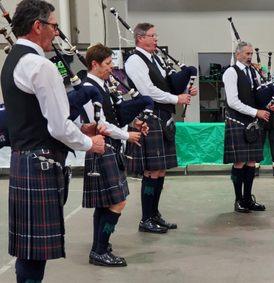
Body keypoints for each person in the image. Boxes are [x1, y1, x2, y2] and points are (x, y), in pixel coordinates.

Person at [0, 0, 105, 281]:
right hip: (41, 164)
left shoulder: (13, 61)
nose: (57, 33)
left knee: (29, 250)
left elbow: (36, 119)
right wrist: (88, 142)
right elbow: (59, 126)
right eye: (54, 26)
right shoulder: (40, 66)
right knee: (35, 254)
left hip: (25, 160)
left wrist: (81, 131)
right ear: (38, 26)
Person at [125, 23, 197, 232]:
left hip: (163, 116)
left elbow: (166, 83)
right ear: (140, 38)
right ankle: (146, 218)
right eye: (152, 36)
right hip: (150, 117)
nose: (156, 39)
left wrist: (184, 88)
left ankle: (154, 214)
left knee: (160, 170)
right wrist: (177, 98)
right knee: (151, 170)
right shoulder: (134, 61)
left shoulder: (155, 58)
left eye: (156, 35)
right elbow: (148, 91)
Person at [81, 44, 148, 267]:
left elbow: (114, 115)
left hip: (109, 147)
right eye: (108, 64)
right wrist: (126, 135)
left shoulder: (103, 85)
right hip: (102, 147)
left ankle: (99, 246)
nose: (112, 68)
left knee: (105, 203)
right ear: (94, 64)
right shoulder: (88, 88)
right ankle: (99, 250)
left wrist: (134, 122)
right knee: (117, 202)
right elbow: (99, 124)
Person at [223, 41, 274, 212]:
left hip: (252, 123)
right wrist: (256, 112)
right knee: (239, 162)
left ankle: (248, 199)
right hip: (238, 121)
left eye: (251, 54)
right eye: (247, 54)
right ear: (237, 54)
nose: (250, 57)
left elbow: (257, 95)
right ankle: (238, 200)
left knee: (252, 162)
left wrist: (268, 105)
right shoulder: (231, 72)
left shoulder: (253, 71)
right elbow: (232, 101)